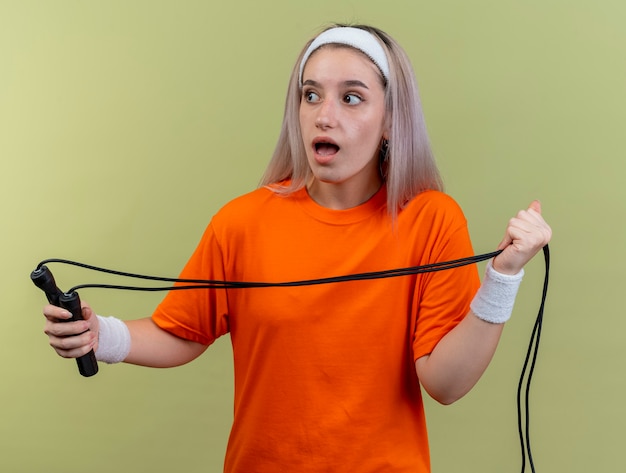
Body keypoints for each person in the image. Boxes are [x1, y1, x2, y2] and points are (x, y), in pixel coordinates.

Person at [42, 24, 552, 473]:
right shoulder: (242, 221)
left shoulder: (430, 220)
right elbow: (182, 332)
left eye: (351, 97)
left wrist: (503, 278)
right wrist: (99, 335)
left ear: (392, 120)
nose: (324, 116)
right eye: (311, 95)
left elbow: (445, 383)